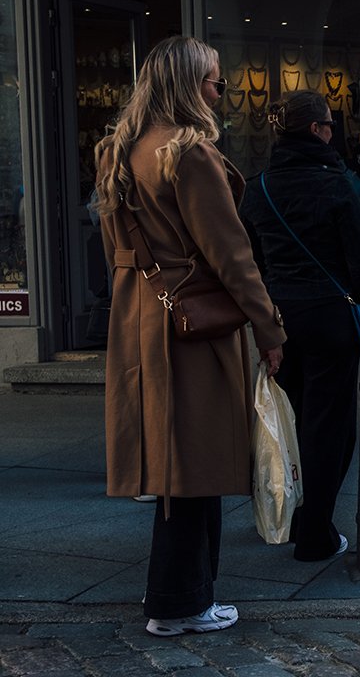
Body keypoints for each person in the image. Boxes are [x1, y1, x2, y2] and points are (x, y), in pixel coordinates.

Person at [92, 36, 286, 636]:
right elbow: (232, 255)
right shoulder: (188, 154)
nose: (219, 91)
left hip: (141, 317)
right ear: (184, 85)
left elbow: (115, 252)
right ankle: (180, 603)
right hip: (192, 323)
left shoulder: (117, 152)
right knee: (195, 462)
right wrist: (269, 327)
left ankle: (182, 598)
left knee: (177, 463)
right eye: (212, 81)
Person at [239, 90, 360, 562]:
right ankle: (314, 529)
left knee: (291, 423)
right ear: (317, 130)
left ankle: (292, 515)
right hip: (332, 319)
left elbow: (250, 263)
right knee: (331, 428)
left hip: (280, 321)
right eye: (329, 126)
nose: (333, 133)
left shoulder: (257, 188)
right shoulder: (337, 184)